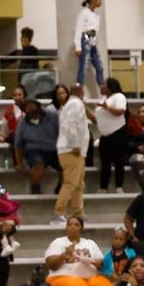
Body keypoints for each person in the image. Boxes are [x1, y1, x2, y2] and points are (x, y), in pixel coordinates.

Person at [43, 216, 109, 286]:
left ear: (81, 229)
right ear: (66, 228)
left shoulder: (90, 243)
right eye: (70, 225)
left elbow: (101, 263)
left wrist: (92, 261)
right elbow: (51, 264)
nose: (73, 227)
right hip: (61, 277)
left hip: (89, 276)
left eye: (76, 225)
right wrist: (64, 255)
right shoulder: (58, 242)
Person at [54, 83, 90, 221]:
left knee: (79, 184)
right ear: (81, 91)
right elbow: (71, 124)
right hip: (71, 149)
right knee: (70, 183)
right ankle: (59, 212)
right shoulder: (76, 104)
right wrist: (75, 144)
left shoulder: (71, 104)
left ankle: (78, 212)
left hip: (76, 151)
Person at [14, 100, 60, 196]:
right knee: (37, 164)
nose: (29, 107)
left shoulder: (52, 116)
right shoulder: (22, 122)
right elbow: (18, 145)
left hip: (54, 149)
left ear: (37, 105)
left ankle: (60, 187)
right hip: (34, 150)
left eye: (31, 104)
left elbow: (62, 132)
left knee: (67, 165)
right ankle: (35, 186)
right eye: (26, 106)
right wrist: (19, 163)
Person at [93, 78, 128, 193]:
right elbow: (95, 119)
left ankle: (119, 186)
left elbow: (119, 112)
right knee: (105, 162)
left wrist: (106, 107)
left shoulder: (119, 96)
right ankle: (103, 187)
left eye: (103, 84)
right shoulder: (103, 99)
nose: (101, 86)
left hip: (117, 132)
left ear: (110, 86)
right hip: (105, 135)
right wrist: (85, 108)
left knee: (119, 161)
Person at [74, 0, 104, 88]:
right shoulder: (84, 12)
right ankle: (79, 88)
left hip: (92, 41)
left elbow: (95, 31)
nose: (100, 1)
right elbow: (78, 29)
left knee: (99, 67)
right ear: (93, 0)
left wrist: (94, 42)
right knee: (83, 67)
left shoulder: (97, 16)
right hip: (85, 39)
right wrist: (78, 46)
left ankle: (103, 87)